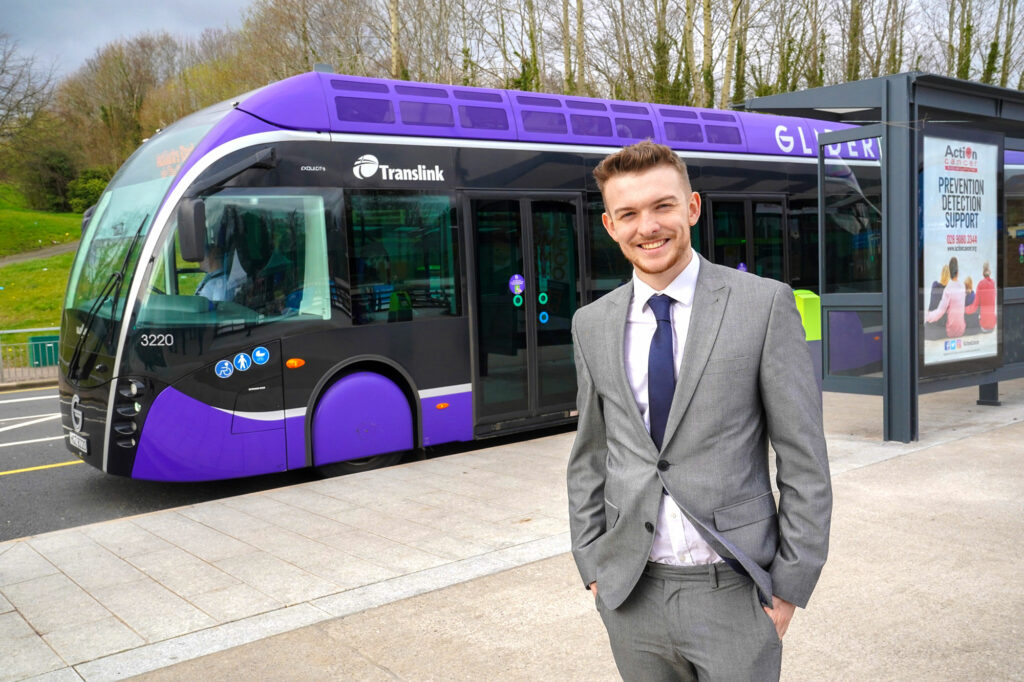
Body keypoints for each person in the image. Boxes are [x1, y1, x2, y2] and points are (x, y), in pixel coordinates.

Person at [567, 141, 832, 681]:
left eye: (662, 206)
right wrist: (592, 564)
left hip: (735, 589)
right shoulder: (590, 324)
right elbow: (590, 454)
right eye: (629, 214)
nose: (648, 227)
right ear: (610, 226)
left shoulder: (764, 305)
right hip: (630, 593)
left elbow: (803, 457)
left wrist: (789, 586)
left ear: (692, 207)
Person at [925, 256, 966, 338]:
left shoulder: (946, 289)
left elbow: (940, 312)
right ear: (957, 272)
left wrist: (927, 316)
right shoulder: (962, 286)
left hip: (950, 332)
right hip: (962, 330)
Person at [964, 261, 997, 333]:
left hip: (984, 326)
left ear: (983, 273)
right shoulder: (993, 283)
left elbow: (974, 307)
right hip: (993, 325)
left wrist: (964, 309)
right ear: (990, 272)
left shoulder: (980, 284)